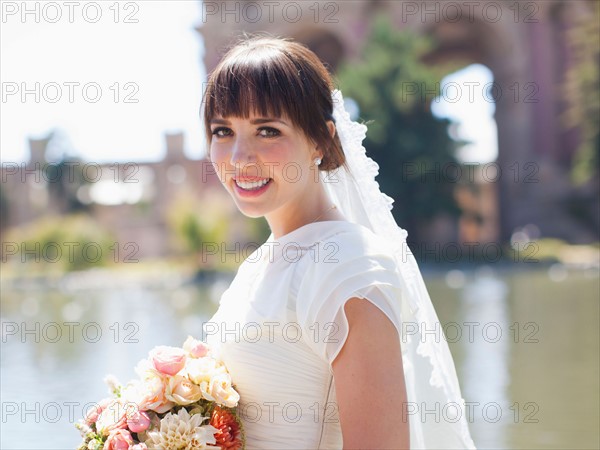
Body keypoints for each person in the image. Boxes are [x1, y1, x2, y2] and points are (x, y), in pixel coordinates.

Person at [201, 35, 476, 449]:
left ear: (321, 141)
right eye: (223, 130)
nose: (239, 157)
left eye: (267, 131)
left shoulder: (349, 267)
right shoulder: (258, 265)